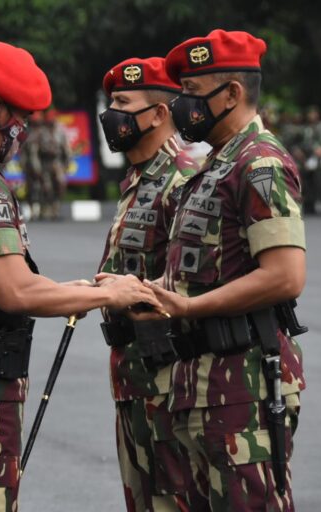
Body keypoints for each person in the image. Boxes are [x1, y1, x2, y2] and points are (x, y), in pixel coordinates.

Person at [0, 40, 160, 511]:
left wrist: (76, 289)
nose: (21, 133)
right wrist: (107, 296)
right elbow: (15, 291)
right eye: (20, 119)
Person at [113, 30, 307, 511]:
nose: (184, 107)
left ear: (233, 95)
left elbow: (285, 275)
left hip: (244, 385)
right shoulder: (217, 165)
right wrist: (146, 289)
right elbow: (201, 272)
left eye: (194, 95)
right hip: (200, 387)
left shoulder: (260, 163)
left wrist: (188, 305)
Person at [96, 56, 201, 511]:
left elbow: (191, 282)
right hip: (134, 375)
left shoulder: (184, 176)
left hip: (169, 377)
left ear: (159, 114)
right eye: (110, 101)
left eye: (122, 102)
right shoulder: (140, 178)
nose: (111, 114)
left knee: (173, 499)